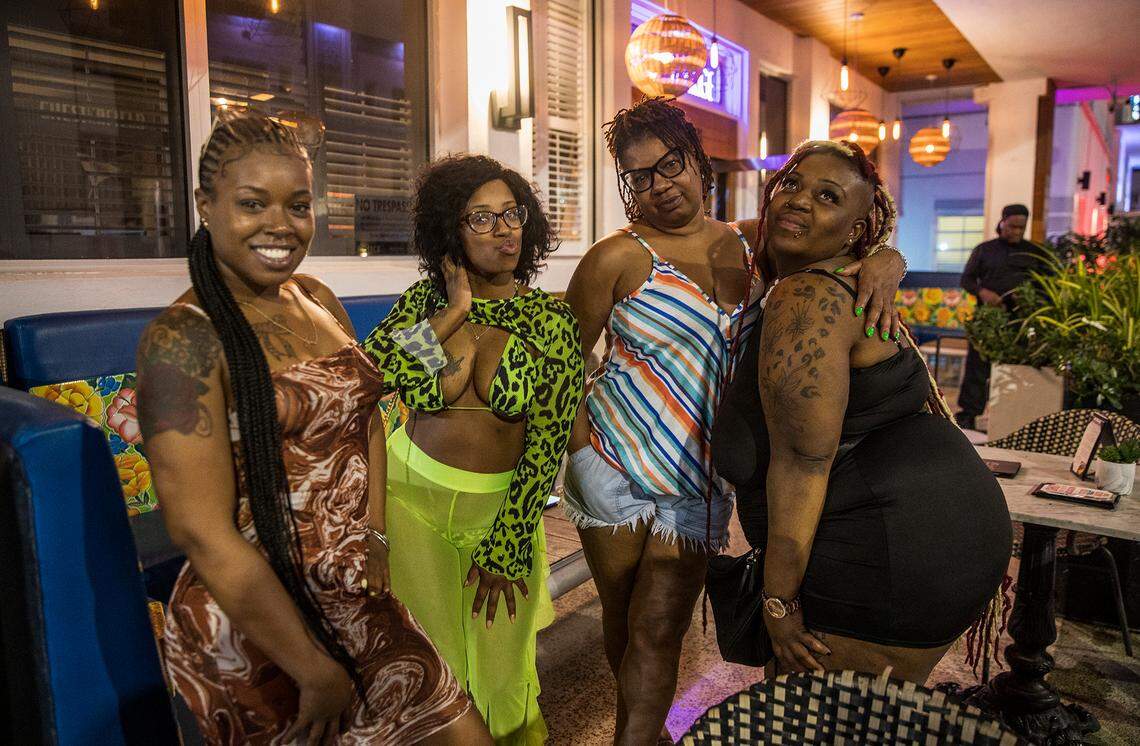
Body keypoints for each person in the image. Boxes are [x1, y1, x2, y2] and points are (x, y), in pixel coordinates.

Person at [561, 98, 907, 744]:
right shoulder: (612, 259)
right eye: (640, 176)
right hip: (610, 465)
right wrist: (582, 452)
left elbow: (845, 234)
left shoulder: (749, 245)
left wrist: (890, 259)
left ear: (698, 160)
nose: (660, 185)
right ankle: (642, 727)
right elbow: (560, 366)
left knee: (659, 621)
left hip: (698, 478)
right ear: (626, 186)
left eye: (671, 165)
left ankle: (633, 734)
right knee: (623, 616)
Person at [138, 111, 490, 745]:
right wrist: (452, 322)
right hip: (262, 621)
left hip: (349, 582)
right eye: (253, 203)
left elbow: (369, 406)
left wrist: (375, 534)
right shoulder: (182, 340)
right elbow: (201, 530)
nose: (280, 224)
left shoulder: (316, 296)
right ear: (206, 206)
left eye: (298, 205)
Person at [710, 140, 1012, 685]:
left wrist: (778, 601)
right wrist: (888, 259)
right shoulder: (826, 275)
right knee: (865, 719)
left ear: (854, 230)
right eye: (792, 184)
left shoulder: (809, 297)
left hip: (886, 549)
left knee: (814, 719)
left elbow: (804, 464)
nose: (799, 201)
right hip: (922, 535)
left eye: (827, 196)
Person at [362, 155, 584, 744]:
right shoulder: (423, 305)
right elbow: (369, 374)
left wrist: (510, 540)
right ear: (449, 231)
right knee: (428, 668)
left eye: (512, 214)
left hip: (498, 512)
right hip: (412, 502)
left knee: (504, 669)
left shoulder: (548, 321)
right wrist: (453, 312)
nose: (504, 229)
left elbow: (548, 441)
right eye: (481, 219)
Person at [956, 203, 1044, 431]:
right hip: (987, 319)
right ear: (1002, 222)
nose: (1016, 232)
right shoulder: (984, 249)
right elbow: (966, 280)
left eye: (1021, 228)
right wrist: (983, 292)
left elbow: (1047, 285)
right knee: (977, 367)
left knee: (1015, 366)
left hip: (1020, 321)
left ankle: (1013, 414)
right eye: (1012, 226)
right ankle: (969, 414)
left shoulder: (1034, 252)